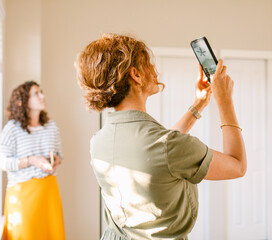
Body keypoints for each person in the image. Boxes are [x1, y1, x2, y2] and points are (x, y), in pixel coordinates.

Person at [75, 34, 247, 239]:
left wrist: (199, 104)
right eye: (148, 64)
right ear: (136, 75)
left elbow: (161, 151)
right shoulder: (168, 146)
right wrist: (225, 100)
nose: (155, 70)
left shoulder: (98, 141)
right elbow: (237, 165)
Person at [0, 81, 65, 240]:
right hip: (22, 196)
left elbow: (59, 155)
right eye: (36, 93)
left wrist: (55, 161)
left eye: (41, 92)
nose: (43, 96)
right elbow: (1, 162)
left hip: (49, 192)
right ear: (22, 101)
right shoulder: (12, 129)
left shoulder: (51, 127)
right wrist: (31, 160)